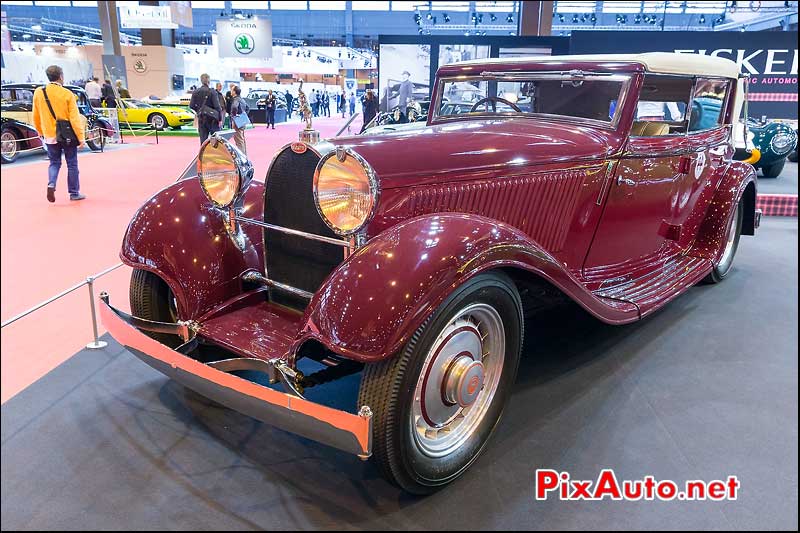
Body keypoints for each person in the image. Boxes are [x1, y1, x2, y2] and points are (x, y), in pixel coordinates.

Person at [32, 65, 86, 202]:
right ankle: (74, 193)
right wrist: (81, 138)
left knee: (54, 162)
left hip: (49, 134)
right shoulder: (67, 94)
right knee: (72, 163)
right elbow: (74, 118)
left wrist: (40, 131)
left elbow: (36, 115)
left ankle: (51, 183)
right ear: (61, 76)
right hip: (67, 134)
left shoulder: (39, 92)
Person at [189, 73, 222, 143]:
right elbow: (217, 107)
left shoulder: (195, 92)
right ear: (208, 81)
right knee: (215, 141)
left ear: (201, 81)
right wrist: (220, 119)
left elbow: (191, 105)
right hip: (213, 119)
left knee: (203, 142)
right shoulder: (212, 92)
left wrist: (199, 110)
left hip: (201, 118)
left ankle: (203, 153)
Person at [229, 85, 249, 155]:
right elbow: (247, 108)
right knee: (242, 139)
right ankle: (244, 154)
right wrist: (243, 115)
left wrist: (234, 116)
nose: (230, 91)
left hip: (237, 121)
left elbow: (234, 107)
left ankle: (242, 156)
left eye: (231, 90)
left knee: (238, 140)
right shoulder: (242, 99)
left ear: (234, 92)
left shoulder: (236, 100)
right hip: (242, 120)